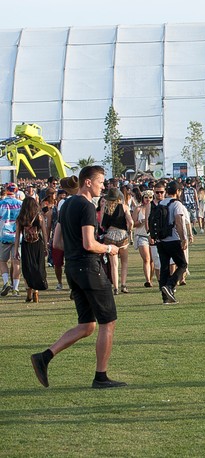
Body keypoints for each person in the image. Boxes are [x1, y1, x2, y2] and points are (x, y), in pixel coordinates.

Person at [31, 165, 126, 389]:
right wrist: (110, 249)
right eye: (101, 182)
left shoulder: (66, 205)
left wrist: (75, 253)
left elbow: (57, 243)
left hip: (72, 268)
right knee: (108, 321)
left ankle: (44, 357)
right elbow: (89, 243)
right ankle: (101, 376)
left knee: (87, 325)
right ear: (87, 182)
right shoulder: (86, 207)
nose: (104, 186)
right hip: (88, 268)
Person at [155, 182, 189, 304]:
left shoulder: (160, 203)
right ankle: (170, 285)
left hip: (160, 240)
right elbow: (179, 222)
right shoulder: (177, 204)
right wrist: (183, 238)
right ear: (178, 191)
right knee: (182, 264)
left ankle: (165, 298)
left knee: (164, 266)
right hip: (173, 238)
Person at [99, 188, 133, 294]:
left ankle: (116, 288)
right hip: (122, 235)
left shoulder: (105, 207)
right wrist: (129, 230)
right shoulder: (124, 207)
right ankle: (123, 285)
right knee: (124, 262)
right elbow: (131, 222)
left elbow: (101, 224)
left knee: (114, 264)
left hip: (110, 235)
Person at [16, 196, 47, 303]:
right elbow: (44, 232)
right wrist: (46, 246)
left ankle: (29, 292)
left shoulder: (21, 218)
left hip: (26, 245)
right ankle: (36, 292)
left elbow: (17, 236)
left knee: (27, 269)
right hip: (37, 244)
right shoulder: (39, 217)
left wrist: (16, 250)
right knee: (37, 268)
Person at [0, 182, 23, 296]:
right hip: (18, 235)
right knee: (16, 261)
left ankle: (6, 282)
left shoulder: (2, 203)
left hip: (4, 235)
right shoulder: (21, 203)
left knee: (3, 261)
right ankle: (16, 288)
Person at [131, 189, 156, 288]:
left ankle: (151, 278)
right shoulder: (138, 209)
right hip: (141, 236)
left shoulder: (155, 209)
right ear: (142, 198)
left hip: (152, 236)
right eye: (146, 197)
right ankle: (147, 280)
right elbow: (133, 224)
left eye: (150, 198)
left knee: (152, 259)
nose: (148, 200)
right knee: (146, 259)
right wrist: (140, 221)